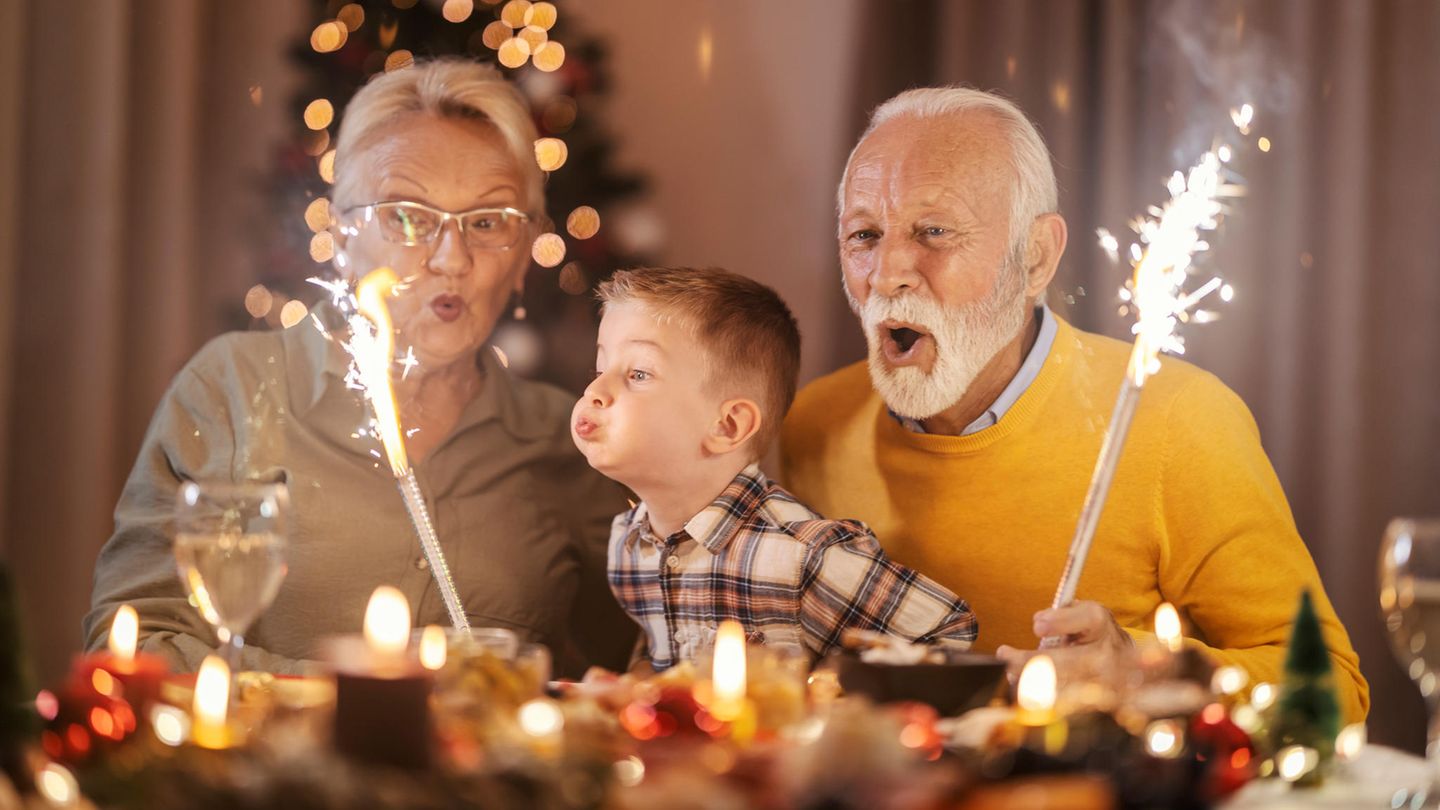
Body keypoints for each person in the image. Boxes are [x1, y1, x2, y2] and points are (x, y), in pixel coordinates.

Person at [779, 86, 1369, 722]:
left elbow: (1335, 692)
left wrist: (1140, 672)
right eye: (863, 234)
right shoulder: (813, 423)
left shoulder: (1180, 420)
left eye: (934, 231)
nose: (887, 270)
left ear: (1035, 258)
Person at [84, 59, 634, 675]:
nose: (451, 258)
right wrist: (350, 695)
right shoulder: (234, 390)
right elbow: (131, 640)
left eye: (487, 222)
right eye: (407, 216)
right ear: (343, 237)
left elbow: (644, 662)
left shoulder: (567, 440)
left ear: (525, 253)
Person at [570, 266, 977, 671]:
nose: (594, 392)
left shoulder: (802, 555)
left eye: (638, 374)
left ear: (728, 426)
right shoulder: (628, 545)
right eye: (600, 369)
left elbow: (946, 630)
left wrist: (830, 698)